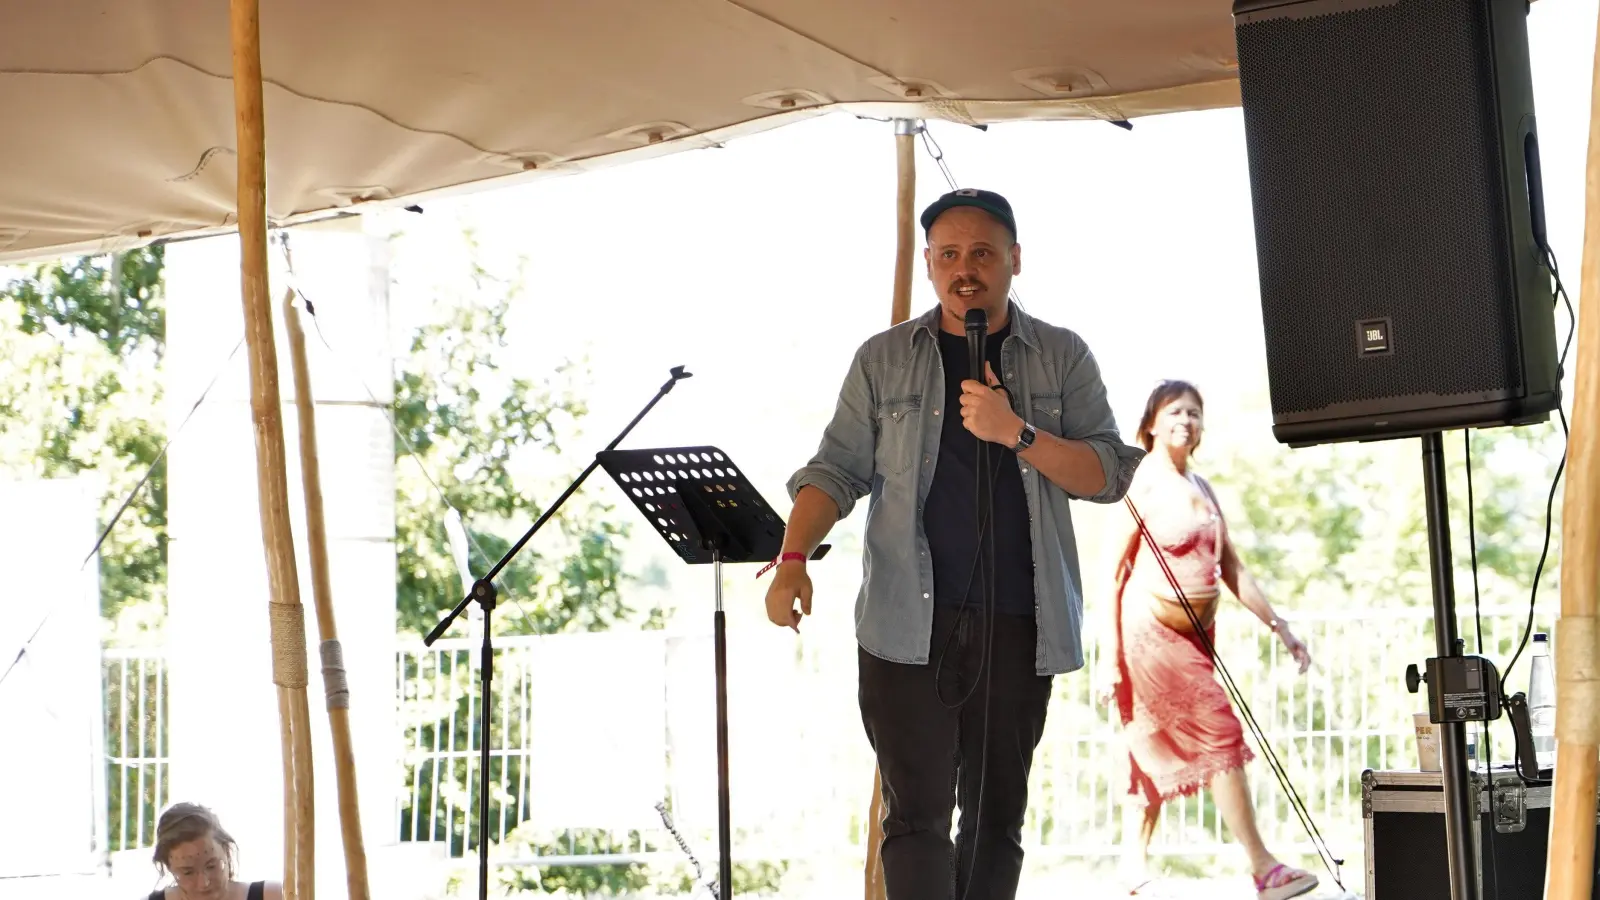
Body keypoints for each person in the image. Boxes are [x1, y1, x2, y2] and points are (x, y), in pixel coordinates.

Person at [764, 188, 1145, 900]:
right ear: (931, 266)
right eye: (947, 255)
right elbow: (833, 471)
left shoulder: (1062, 355)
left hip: (1018, 621)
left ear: (1015, 260)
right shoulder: (883, 360)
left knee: (996, 820)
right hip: (906, 626)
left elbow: (1107, 476)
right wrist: (792, 561)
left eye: (981, 253)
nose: (963, 269)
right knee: (915, 820)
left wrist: (1016, 432)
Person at [1101, 380, 1316, 900]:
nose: (1186, 421)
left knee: (1153, 745)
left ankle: (1132, 867)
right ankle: (1263, 868)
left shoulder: (1202, 488)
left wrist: (1280, 627)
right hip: (1150, 638)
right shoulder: (1141, 483)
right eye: (1175, 411)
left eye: (1195, 413)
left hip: (1199, 639)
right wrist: (1110, 661)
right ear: (1152, 422)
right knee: (1220, 731)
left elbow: (1232, 568)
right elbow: (1114, 573)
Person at [145, 802, 282, 900]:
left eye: (212, 866)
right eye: (188, 872)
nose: (204, 883)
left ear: (227, 851)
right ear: (170, 868)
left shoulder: (273, 895)